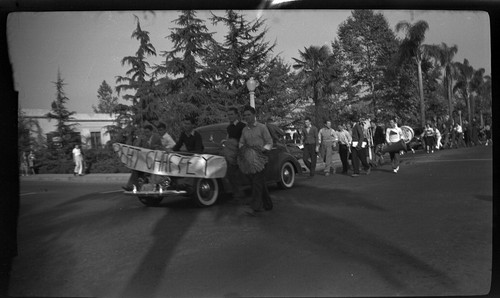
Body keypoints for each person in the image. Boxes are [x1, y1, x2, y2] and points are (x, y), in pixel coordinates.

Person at [238, 105, 273, 216]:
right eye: (245, 115)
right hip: (250, 161)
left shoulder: (262, 127)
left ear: (254, 115)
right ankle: (268, 204)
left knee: (257, 182)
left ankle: (256, 207)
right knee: (259, 183)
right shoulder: (244, 130)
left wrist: (263, 149)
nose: (247, 117)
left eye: (249, 115)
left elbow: (269, 142)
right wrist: (243, 150)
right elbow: (241, 142)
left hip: (262, 159)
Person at [122, 124, 163, 191]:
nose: (146, 134)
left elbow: (155, 148)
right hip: (146, 160)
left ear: (151, 131)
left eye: (147, 132)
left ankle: (137, 185)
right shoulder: (144, 139)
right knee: (135, 169)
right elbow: (139, 148)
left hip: (155, 161)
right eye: (145, 132)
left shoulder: (156, 138)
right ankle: (131, 185)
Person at [224, 107, 247, 199]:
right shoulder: (229, 127)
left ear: (237, 115)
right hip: (232, 154)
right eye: (228, 115)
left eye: (231, 114)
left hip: (241, 152)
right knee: (231, 174)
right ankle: (238, 193)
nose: (230, 116)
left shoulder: (242, 126)